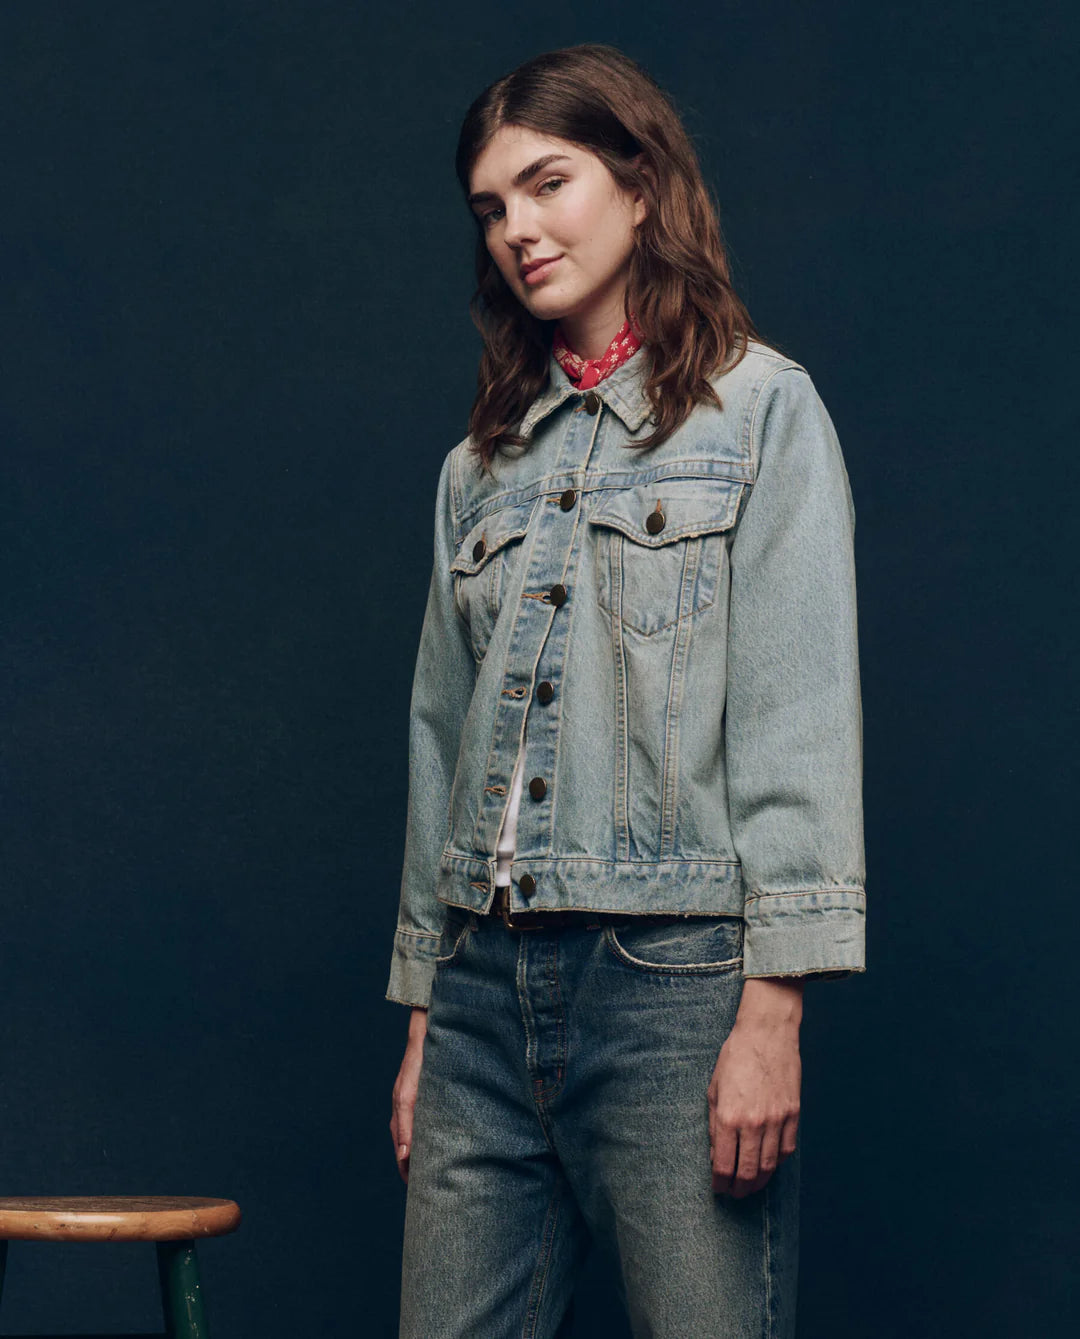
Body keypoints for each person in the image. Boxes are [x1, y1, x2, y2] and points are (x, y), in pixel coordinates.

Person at [386, 42, 866, 1339]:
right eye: (492, 207)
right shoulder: (478, 468)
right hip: (480, 992)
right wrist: (427, 1016)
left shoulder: (760, 413)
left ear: (641, 185)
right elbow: (442, 738)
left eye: (549, 183)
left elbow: (797, 718)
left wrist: (772, 1017)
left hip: (670, 985)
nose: (518, 230)